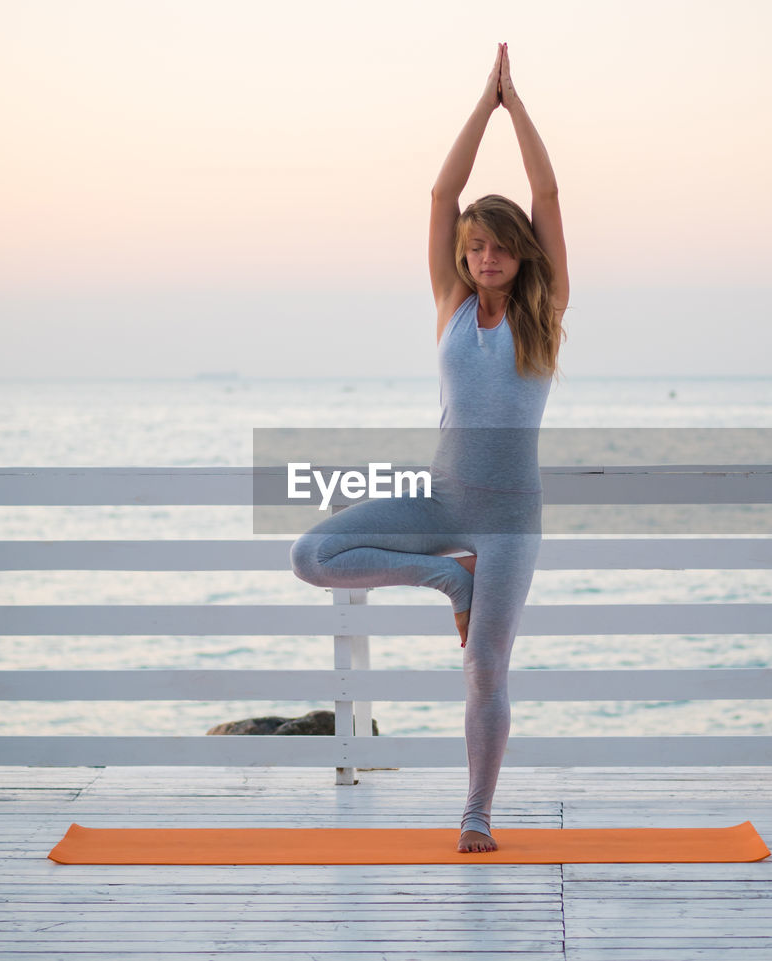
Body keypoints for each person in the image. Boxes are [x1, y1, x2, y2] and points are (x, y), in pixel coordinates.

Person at [290, 42, 568, 854]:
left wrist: (518, 110)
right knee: (314, 552)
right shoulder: (449, 301)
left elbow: (547, 191)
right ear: (463, 254)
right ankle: (448, 577)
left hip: (510, 519)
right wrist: (482, 103)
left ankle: (476, 812)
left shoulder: (543, 313)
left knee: (485, 671)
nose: (486, 255)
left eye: (501, 246)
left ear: (522, 257)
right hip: (440, 497)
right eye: (477, 244)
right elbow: (443, 191)